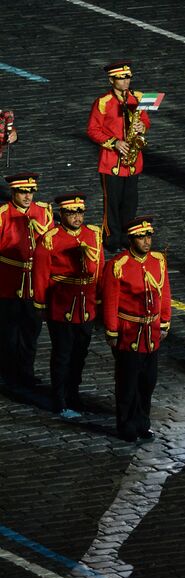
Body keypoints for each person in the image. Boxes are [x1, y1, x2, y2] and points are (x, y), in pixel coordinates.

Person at [32, 193, 104, 417]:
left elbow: (100, 268)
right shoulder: (51, 238)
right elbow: (41, 274)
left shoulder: (93, 235)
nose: (77, 217)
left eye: (79, 212)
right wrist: (40, 305)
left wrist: (99, 300)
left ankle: (74, 393)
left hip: (87, 306)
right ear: (61, 214)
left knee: (80, 354)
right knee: (62, 354)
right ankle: (59, 398)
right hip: (62, 306)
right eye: (71, 213)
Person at [101, 216, 170, 441]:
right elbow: (111, 300)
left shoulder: (158, 260)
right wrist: (112, 330)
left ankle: (143, 421)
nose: (146, 241)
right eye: (141, 237)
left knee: (148, 380)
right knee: (127, 382)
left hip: (151, 332)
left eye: (148, 236)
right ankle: (127, 424)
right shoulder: (118, 265)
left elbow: (164, 293)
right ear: (132, 239)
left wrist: (165, 321)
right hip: (129, 331)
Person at [86, 61, 150, 255]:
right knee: (112, 202)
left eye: (128, 77)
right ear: (111, 80)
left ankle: (127, 236)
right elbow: (93, 130)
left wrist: (142, 127)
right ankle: (112, 238)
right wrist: (114, 143)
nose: (126, 81)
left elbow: (145, 119)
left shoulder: (139, 97)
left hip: (133, 161)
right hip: (111, 161)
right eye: (121, 78)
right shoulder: (103, 102)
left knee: (130, 201)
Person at [0, 172, 53, 388]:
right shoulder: (3, 214)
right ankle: (8, 373)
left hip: (34, 283)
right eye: (23, 192)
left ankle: (26, 372)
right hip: (9, 282)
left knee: (31, 331)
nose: (27, 196)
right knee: (9, 332)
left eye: (30, 192)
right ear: (13, 192)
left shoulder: (43, 212)